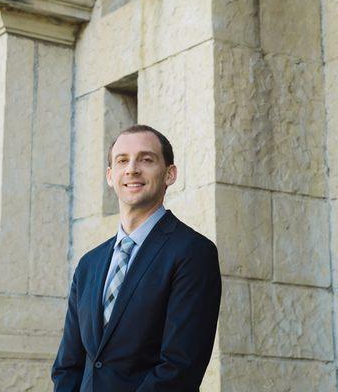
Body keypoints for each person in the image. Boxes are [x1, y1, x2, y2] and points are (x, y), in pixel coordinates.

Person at [52, 125, 221, 391]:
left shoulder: (193, 253)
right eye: (122, 161)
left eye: (146, 159)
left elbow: (180, 367)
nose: (132, 168)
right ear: (110, 176)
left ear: (169, 174)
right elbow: (68, 365)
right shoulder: (89, 265)